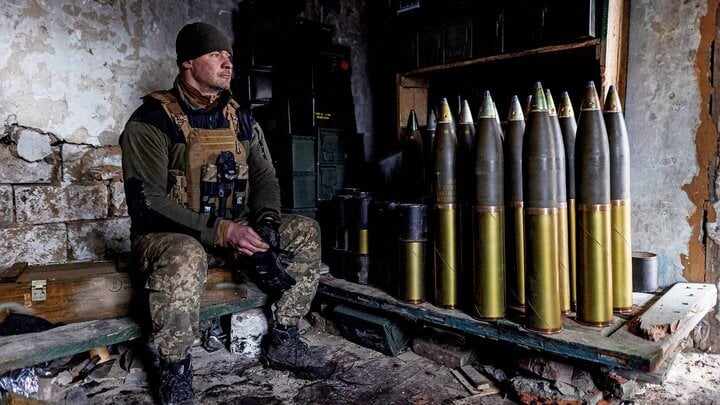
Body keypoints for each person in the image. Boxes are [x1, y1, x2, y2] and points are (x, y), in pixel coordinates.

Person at [119, 22, 336, 405]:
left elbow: (266, 176)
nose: (227, 61)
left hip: (230, 230)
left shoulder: (240, 118)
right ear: (187, 62)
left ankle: (284, 338)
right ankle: (174, 371)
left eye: (229, 55)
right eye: (215, 54)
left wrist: (267, 221)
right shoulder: (151, 120)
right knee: (185, 254)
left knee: (304, 230)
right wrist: (223, 232)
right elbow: (147, 203)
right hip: (168, 237)